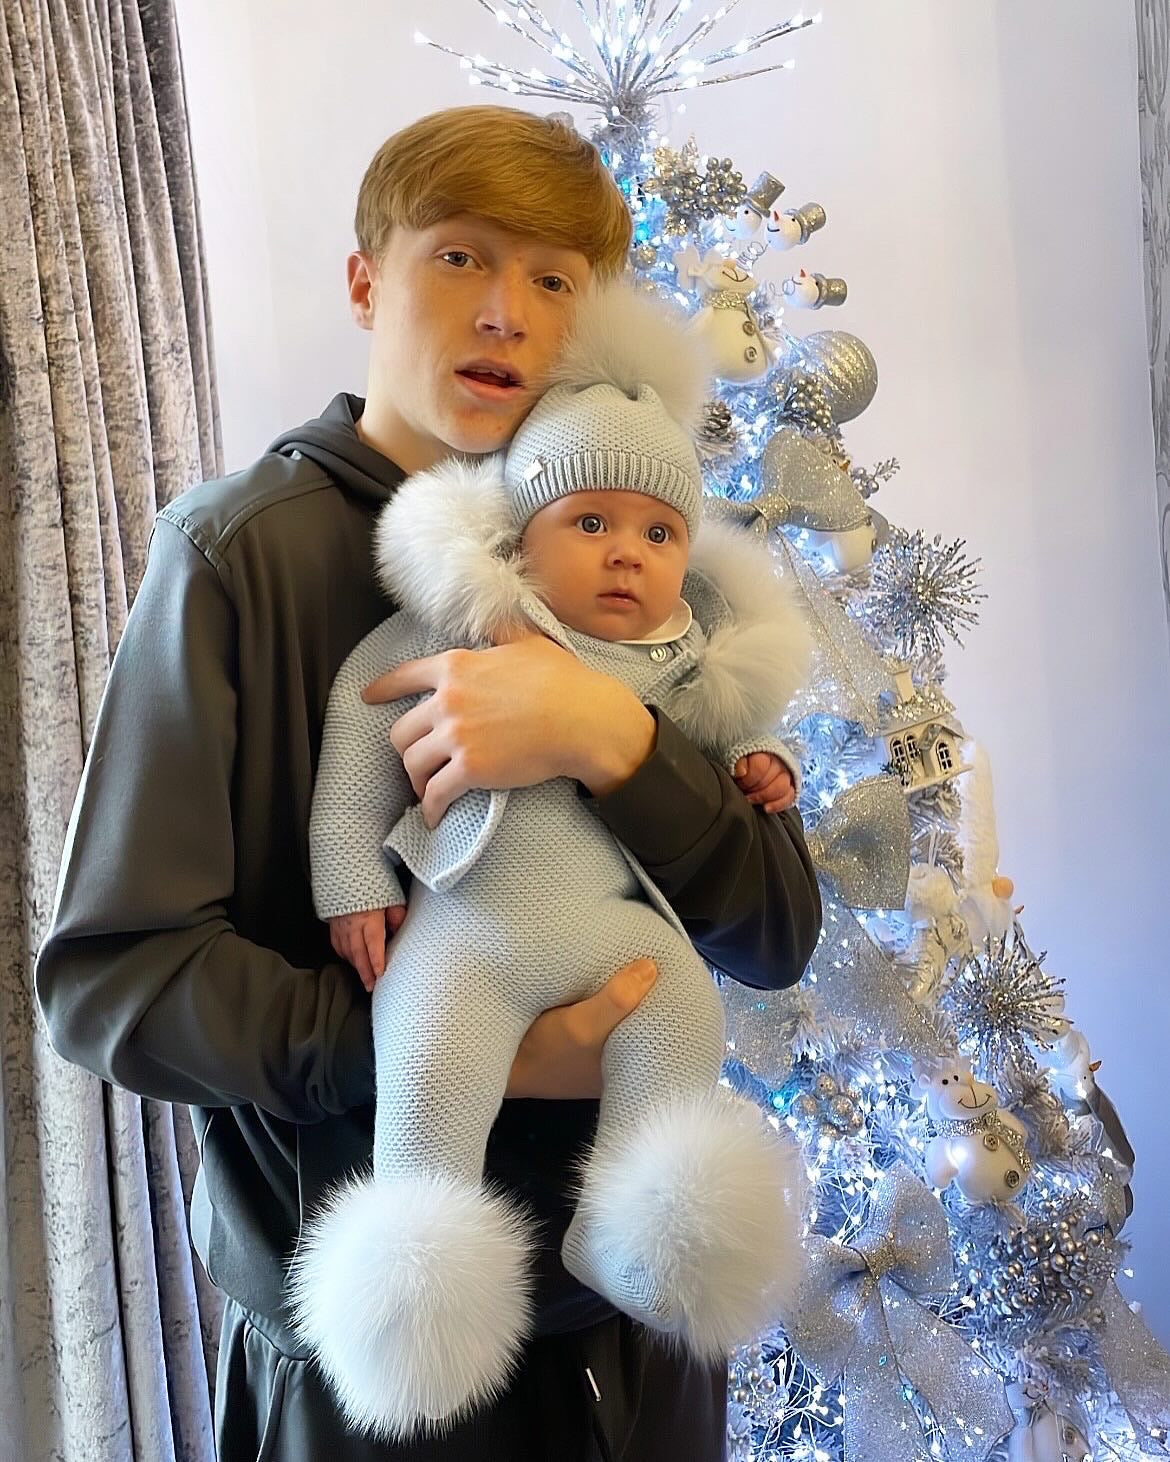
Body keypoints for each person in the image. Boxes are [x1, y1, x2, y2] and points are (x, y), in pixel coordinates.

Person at [35, 106, 822, 1461]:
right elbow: (114, 978)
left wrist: (612, 741)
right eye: (460, 257)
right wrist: (447, 1048)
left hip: (637, 1341)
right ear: (366, 280)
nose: (506, 312)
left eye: (554, 278)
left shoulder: (634, 560)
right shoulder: (239, 556)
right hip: (372, 1373)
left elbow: (774, 932)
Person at [293, 280, 813, 1441]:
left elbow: (728, 743)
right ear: (521, 530)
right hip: (467, 933)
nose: (628, 555)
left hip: (612, 930)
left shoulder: (683, 657)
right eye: (591, 523)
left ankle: (629, 1232)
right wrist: (352, 879)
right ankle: (413, 1303)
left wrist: (764, 761)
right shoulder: (469, 625)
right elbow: (359, 723)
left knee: (682, 1013)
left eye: (659, 534)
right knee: (428, 1080)